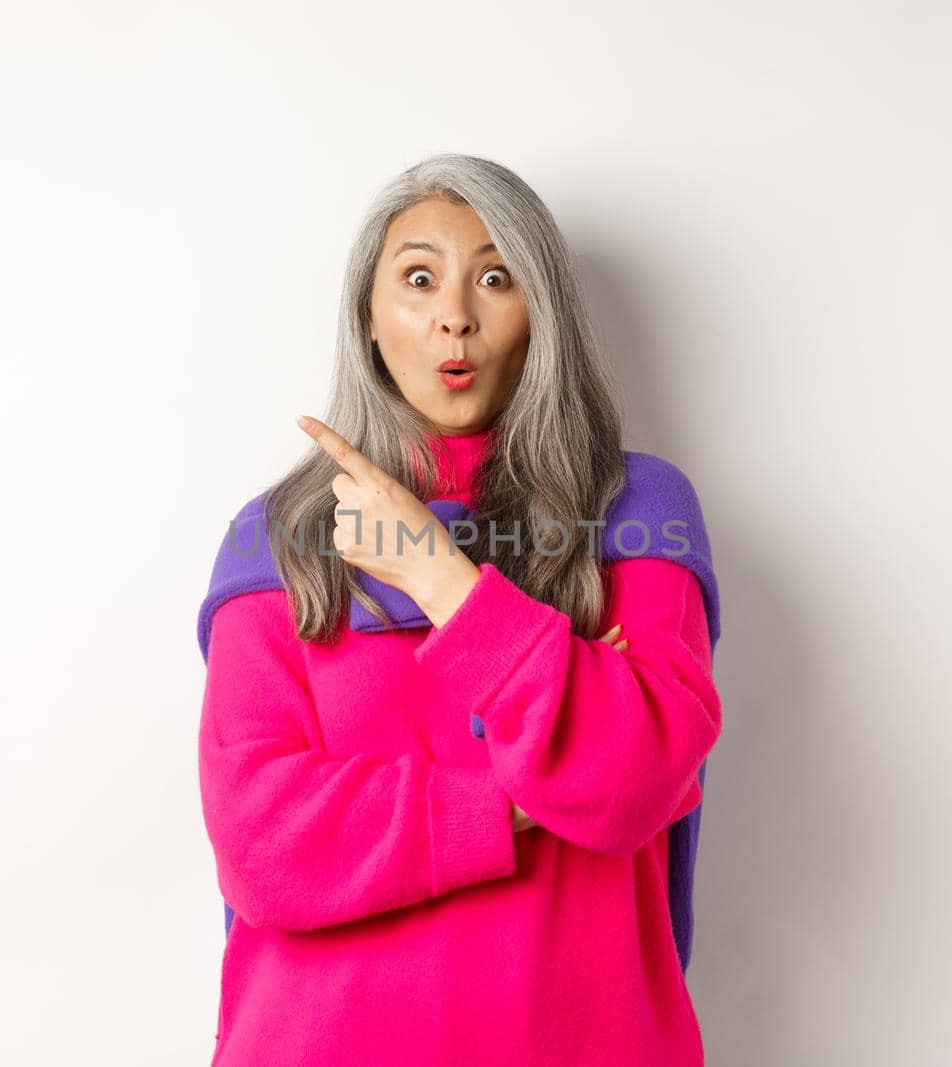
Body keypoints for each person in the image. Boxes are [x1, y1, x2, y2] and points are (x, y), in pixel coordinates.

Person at [195, 153, 724, 1066]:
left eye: (494, 275)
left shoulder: (635, 512)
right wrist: (522, 796)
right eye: (418, 277)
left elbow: (632, 778)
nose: (456, 315)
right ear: (368, 313)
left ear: (542, 310)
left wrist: (440, 578)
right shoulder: (275, 536)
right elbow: (262, 842)